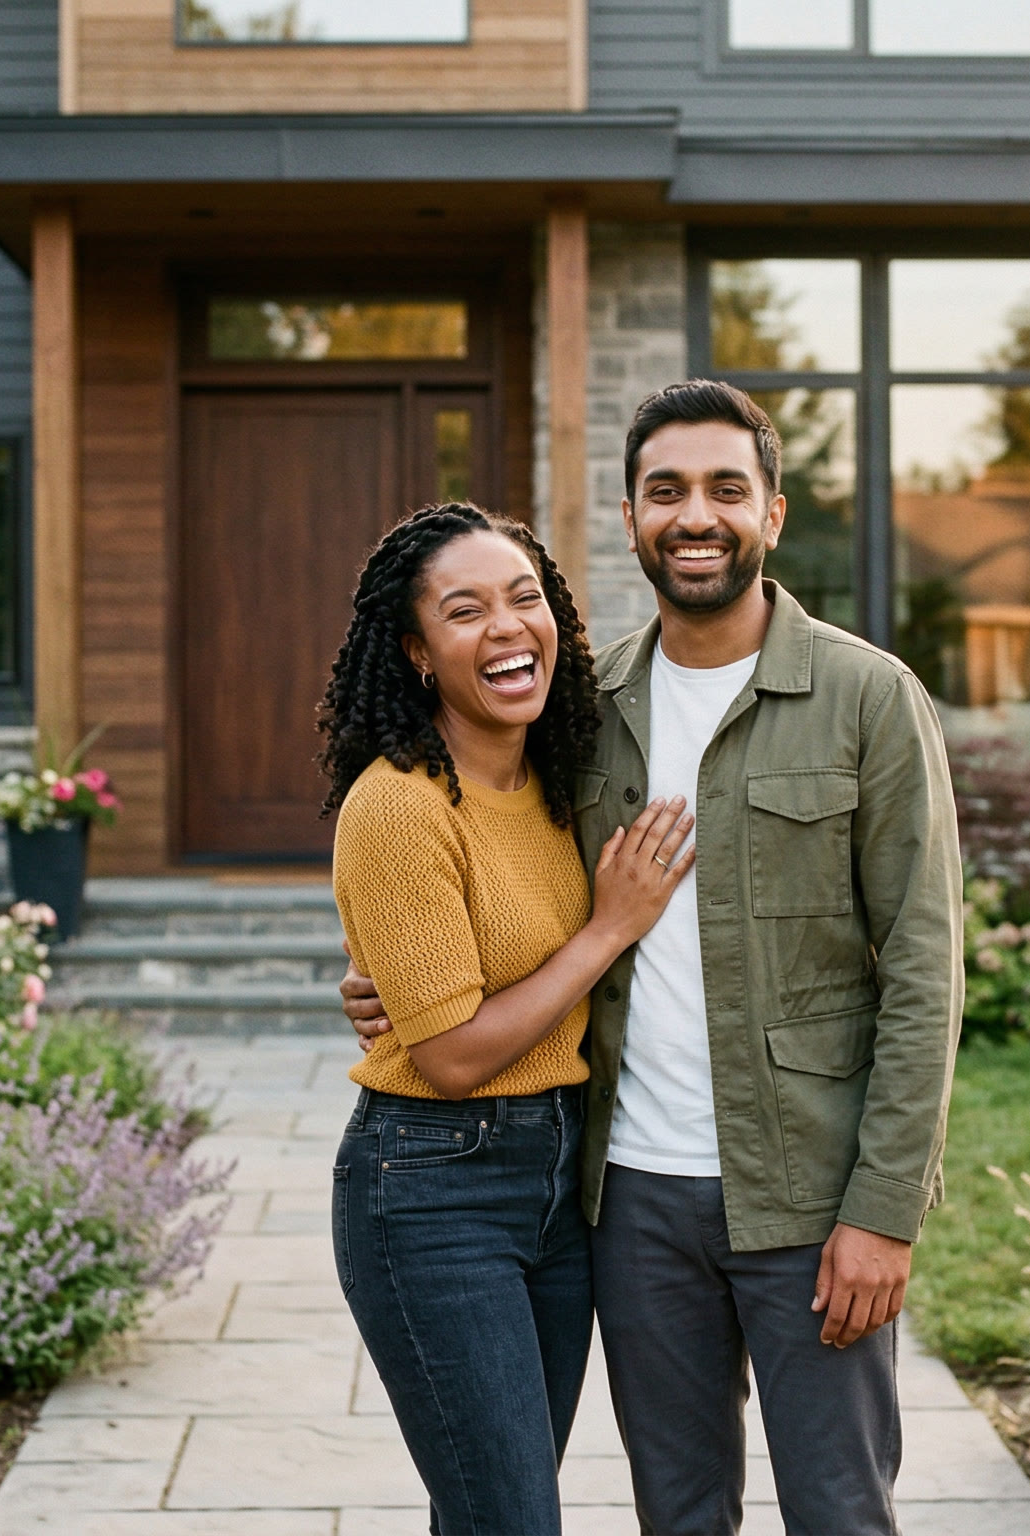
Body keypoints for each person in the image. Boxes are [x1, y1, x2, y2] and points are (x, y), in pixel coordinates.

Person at [344, 383, 965, 1536]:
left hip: (808, 1198)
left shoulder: (867, 698)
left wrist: (884, 1211)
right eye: (665, 491)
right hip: (626, 1199)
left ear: (772, 513)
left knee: (840, 1512)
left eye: (726, 488)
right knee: (676, 1516)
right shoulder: (586, 707)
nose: (696, 514)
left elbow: (925, 972)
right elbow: (496, 881)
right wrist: (401, 982)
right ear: (629, 520)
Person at [318, 502, 697, 1536]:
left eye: (525, 598)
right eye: (465, 610)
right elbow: (449, 1060)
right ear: (418, 651)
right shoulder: (398, 806)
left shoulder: (557, 786)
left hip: (559, 1182)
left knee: (489, 1509)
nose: (507, 627)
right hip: (433, 1194)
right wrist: (606, 928)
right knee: (512, 1520)